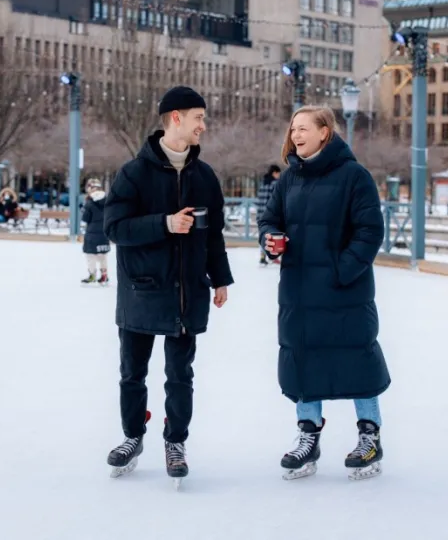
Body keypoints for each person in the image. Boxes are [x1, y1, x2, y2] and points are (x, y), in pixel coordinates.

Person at [103, 86, 234, 481]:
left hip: (187, 291)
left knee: (180, 375)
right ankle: (132, 435)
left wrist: (220, 278)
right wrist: (165, 223)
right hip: (142, 290)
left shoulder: (204, 176)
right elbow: (115, 228)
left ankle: (175, 440)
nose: (203, 126)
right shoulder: (133, 173)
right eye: (198, 118)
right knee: (132, 373)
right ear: (176, 118)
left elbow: (213, 235)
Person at [257, 105, 391, 481]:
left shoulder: (354, 176)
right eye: (293, 129)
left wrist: (341, 271)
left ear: (324, 133)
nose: (295, 135)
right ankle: (308, 436)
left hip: (344, 291)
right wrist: (271, 240)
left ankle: (369, 436)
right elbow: (269, 219)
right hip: (299, 291)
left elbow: (370, 231)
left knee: (357, 359)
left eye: (303, 128)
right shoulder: (289, 178)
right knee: (303, 360)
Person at [80, 178, 110, 285]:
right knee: (102, 255)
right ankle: (104, 276)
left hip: (92, 233)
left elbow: (85, 218)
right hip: (104, 232)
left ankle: (92, 275)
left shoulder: (89, 202)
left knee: (90, 255)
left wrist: (83, 208)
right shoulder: (107, 201)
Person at [255, 164, 281, 265]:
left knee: (264, 236)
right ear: (274, 173)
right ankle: (274, 256)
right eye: (278, 173)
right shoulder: (275, 183)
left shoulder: (263, 183)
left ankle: (262, 257)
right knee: (273, 235)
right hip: (270, 213)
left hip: (260, 214)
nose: (279, 176)